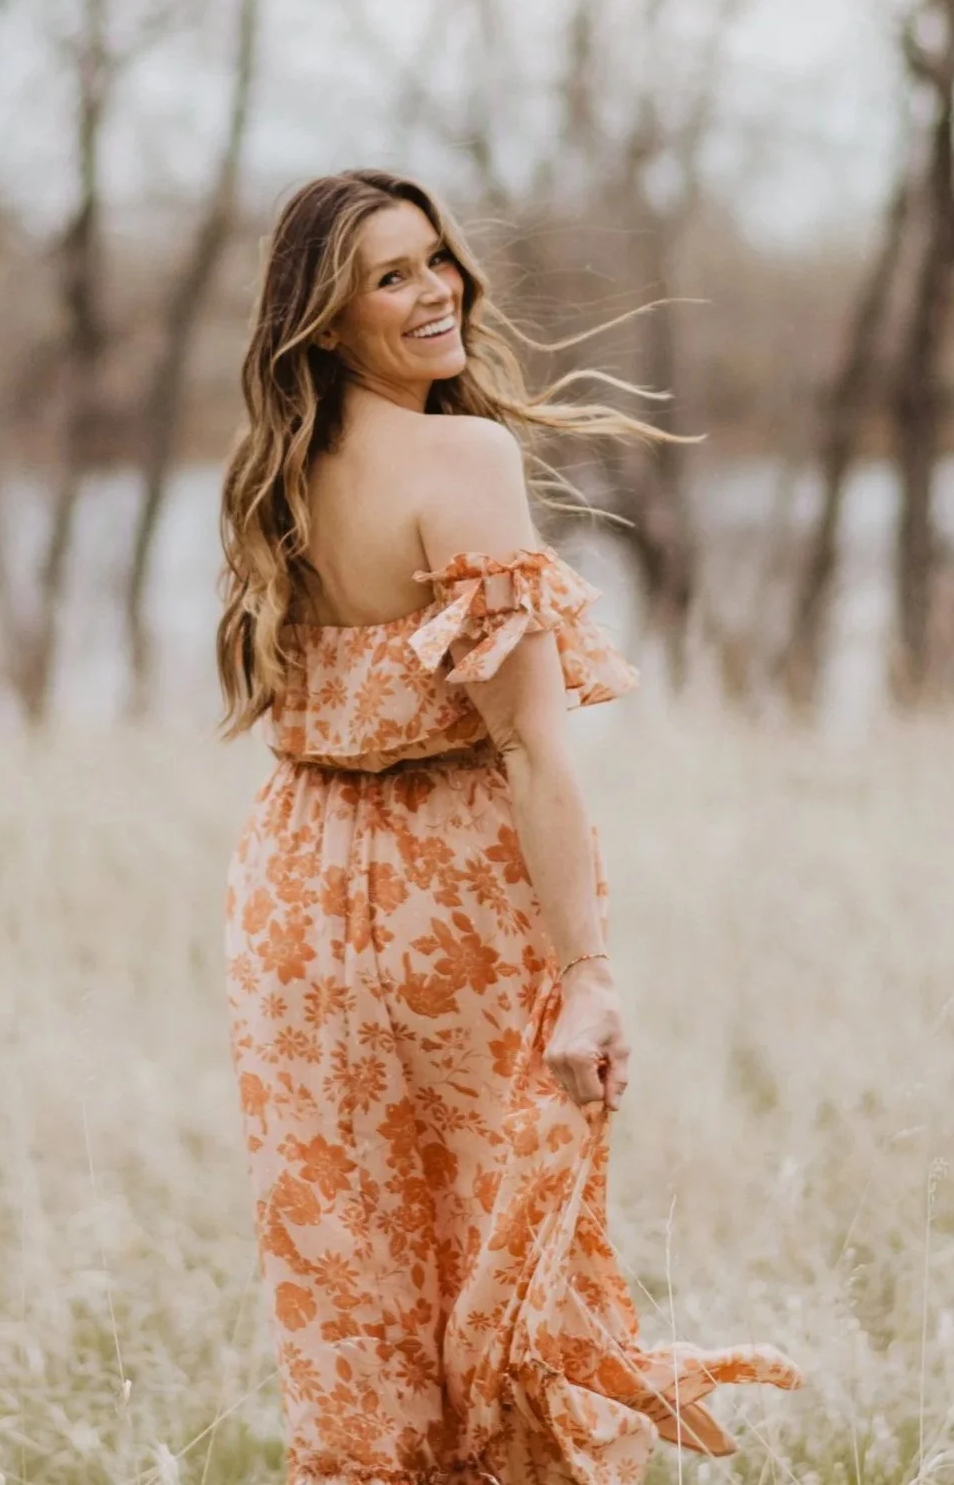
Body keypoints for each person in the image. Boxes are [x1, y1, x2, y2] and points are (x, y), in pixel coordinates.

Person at [218, 169, 800, 1485]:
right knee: (508, 1263)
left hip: (293, 907)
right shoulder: (465, 459)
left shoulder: (275, 472)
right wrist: (589, 977)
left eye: (437, 262)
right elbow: (533, 746)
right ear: (324, 320)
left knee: (354, 1270)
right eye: (390, 277)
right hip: (448, 901)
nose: (438, 294)